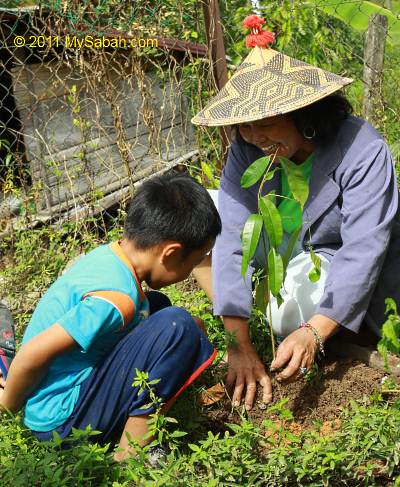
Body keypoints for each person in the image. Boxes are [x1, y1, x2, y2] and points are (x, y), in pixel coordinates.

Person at [191, 15, 400, 411]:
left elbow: (364, 249)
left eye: (265, 123)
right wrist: (240, 345)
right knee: (199, 213)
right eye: (244, 127)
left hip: (334, 256)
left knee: (299, 317)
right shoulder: (247, 150)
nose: (254, 137)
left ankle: (337, 330)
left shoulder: (361, 150)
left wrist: (314, 332)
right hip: (287, 248)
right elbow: (235, 233)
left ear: (305, 114)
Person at [0, 173, 222, 462]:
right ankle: (131, 454)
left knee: (158, 307)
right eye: (194, 262)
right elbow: (33, 353)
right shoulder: (116, 301)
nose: (189, 273)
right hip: (63, 426)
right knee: (176, 326)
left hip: (60, 403)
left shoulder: (110, 258)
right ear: (170, 254)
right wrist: (6, 407)